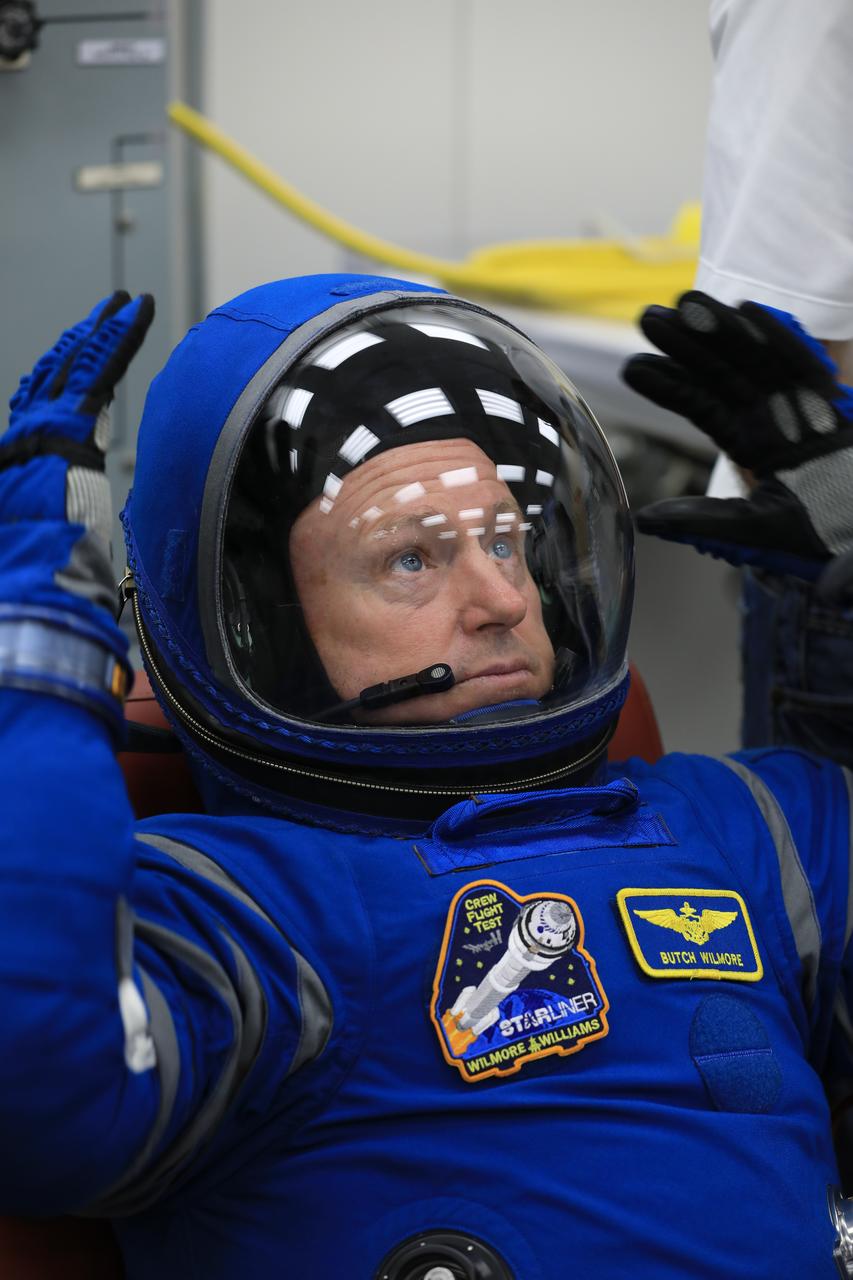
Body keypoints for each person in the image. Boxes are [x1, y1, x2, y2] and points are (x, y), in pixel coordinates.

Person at [2, 274, 853, 1278]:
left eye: (506, 539)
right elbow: (36, 1097)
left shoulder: (747, 829)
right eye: (411, 556)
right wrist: (40, 649)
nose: (502, 596)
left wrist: (845, 557)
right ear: (256, 617)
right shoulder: (249, 909)